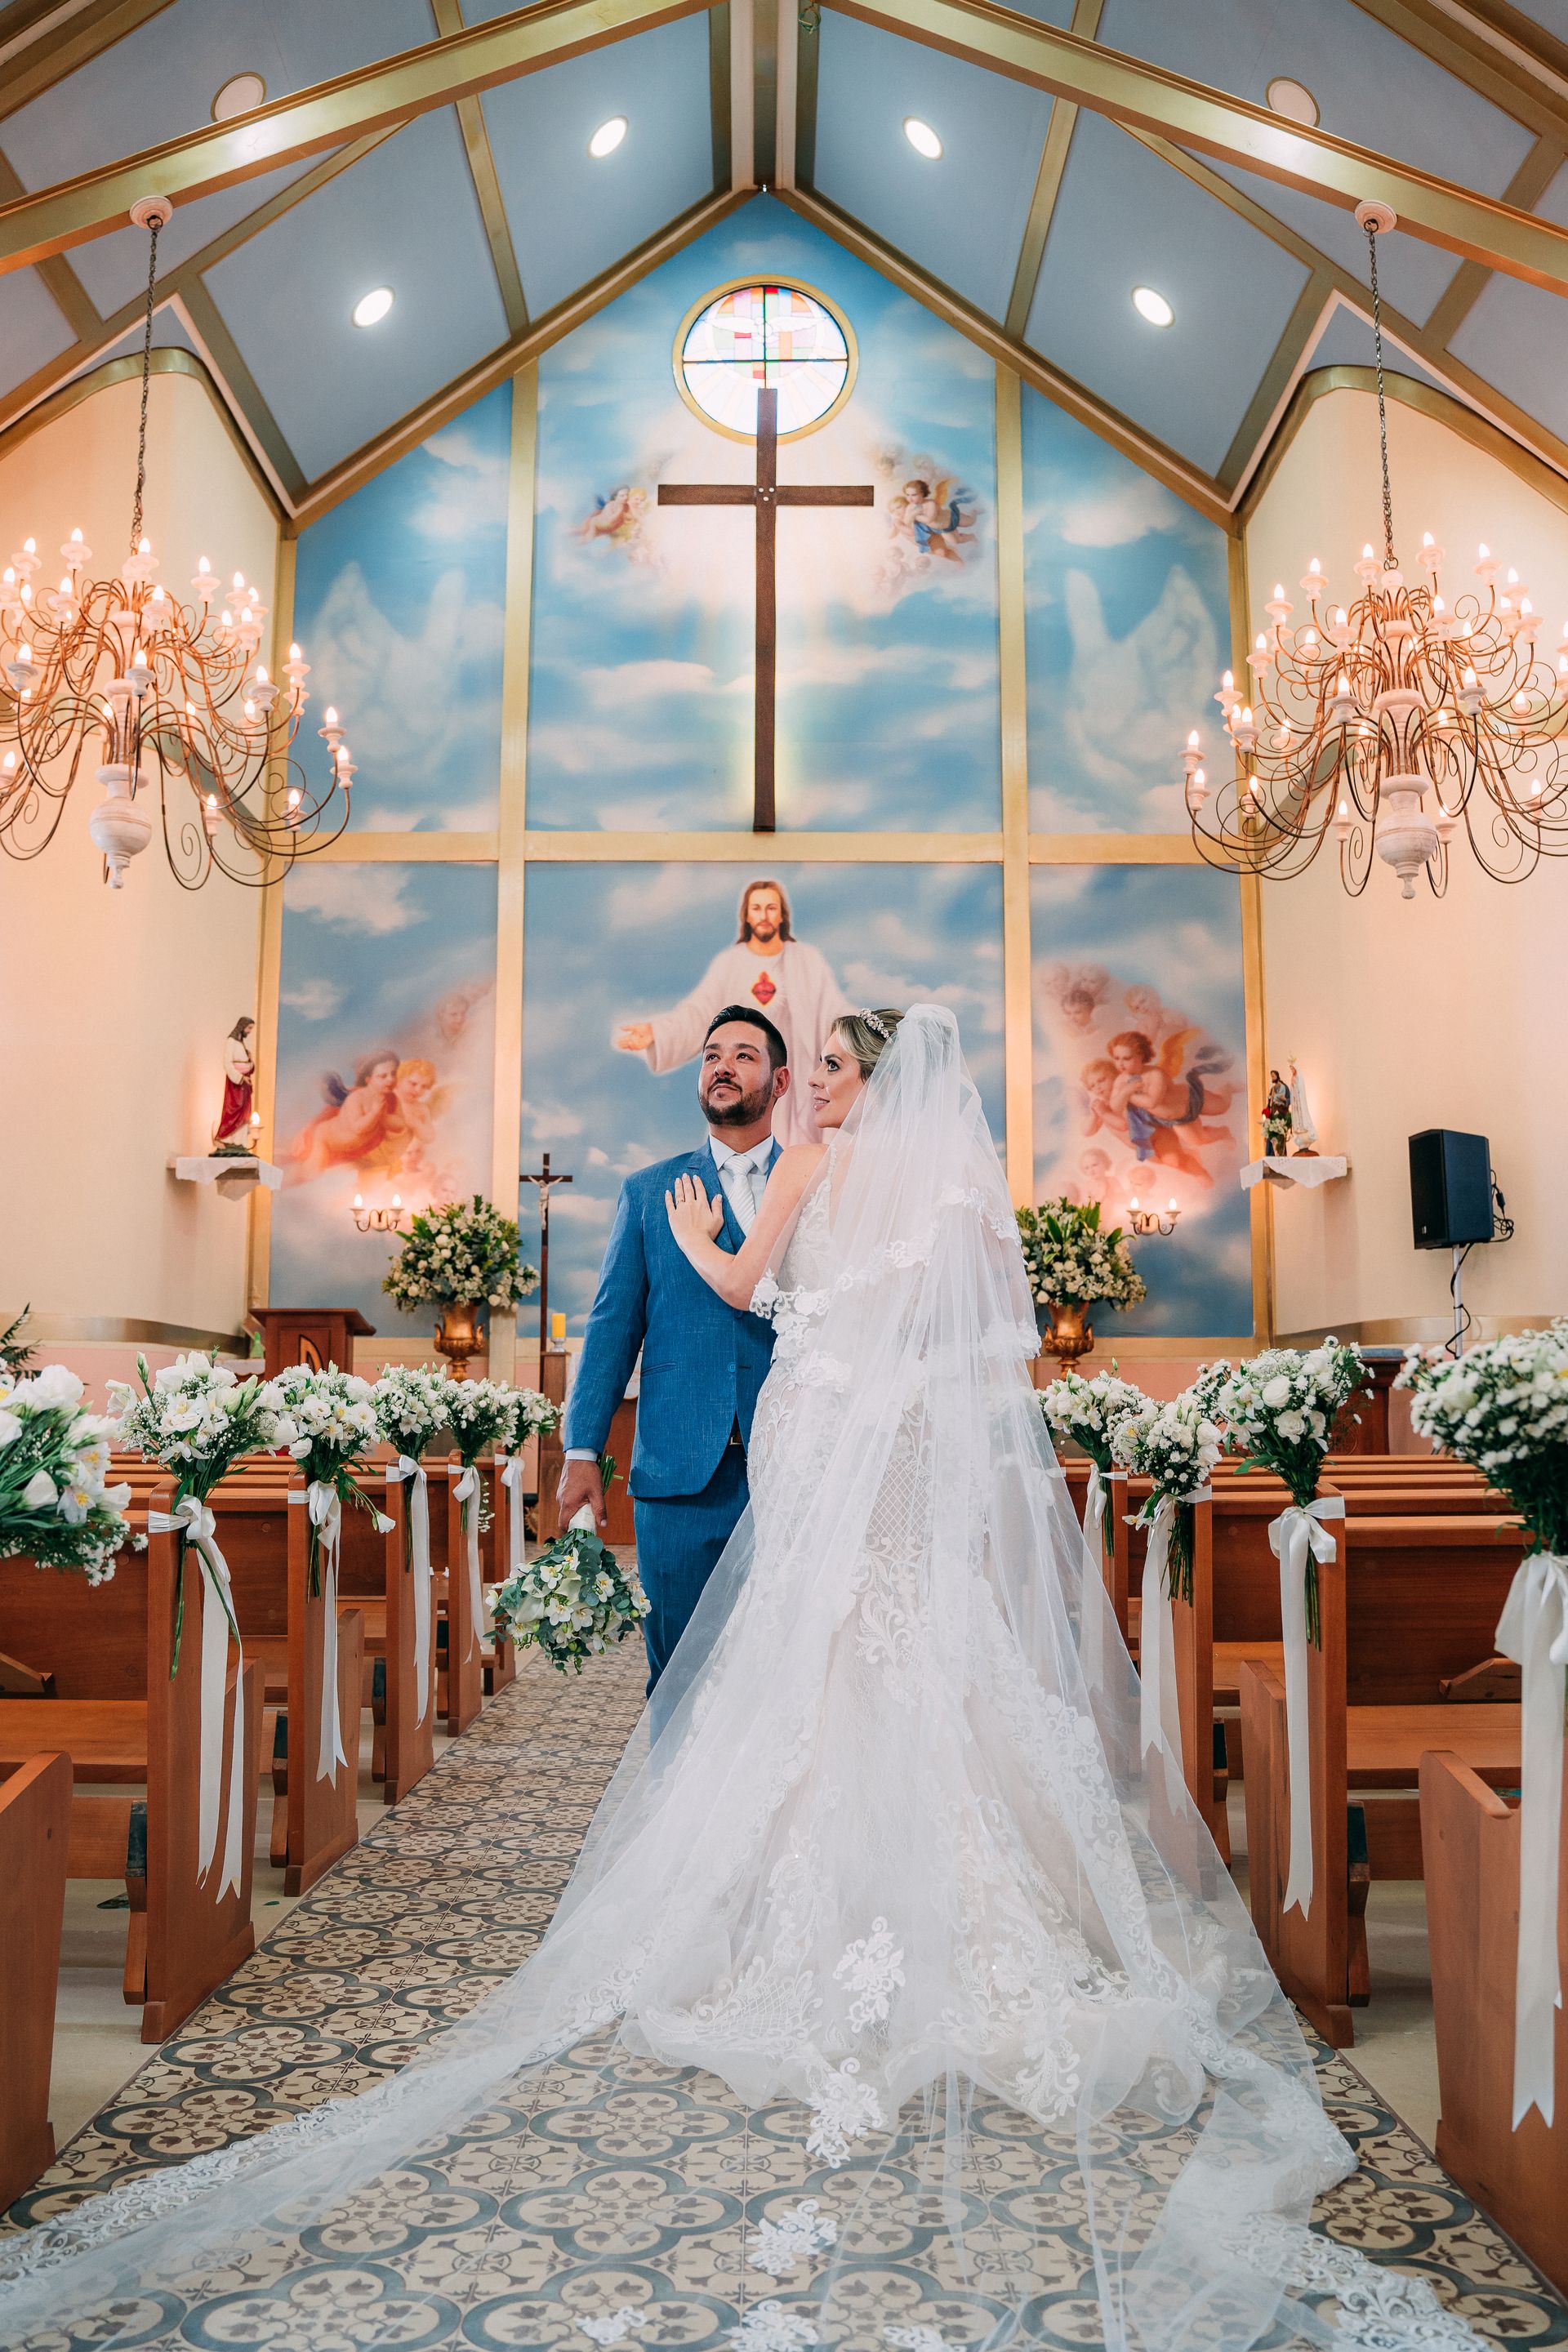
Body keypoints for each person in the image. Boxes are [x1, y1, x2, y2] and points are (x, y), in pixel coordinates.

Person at [0, 1008, 1477, 2352]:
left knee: (830, 1673)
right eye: (772, 1058)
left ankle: (769, 1894)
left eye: (816, 1061)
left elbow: (771, 1293)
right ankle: (813, 1877)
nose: (791, 1075)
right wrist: (590, 1440)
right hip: (818, 1458)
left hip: (828, 1454)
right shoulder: (892, 1189)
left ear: (827, 1081)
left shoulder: (807, 1173)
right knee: (836, 1676)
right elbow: (749, 1328)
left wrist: (736, 1249)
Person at [559, 1004, 788, 1693]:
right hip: (679, 1471)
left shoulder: (815, 1187)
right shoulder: (649, 1190)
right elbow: (611, 1328)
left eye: (745, 1055)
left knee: (789, 1678)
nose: (723, 1064)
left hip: (795, 1464)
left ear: (780, 1084)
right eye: (712, 1054)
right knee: (682, 1675)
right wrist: (581, 1449)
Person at [613, 876, 849, 1146]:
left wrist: (870, 1035)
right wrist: (658, 1033)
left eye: (771, 908)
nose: (764, 916)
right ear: (746, 916)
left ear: (782, 914)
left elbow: (834, 1013)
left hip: (795, 1084)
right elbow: (700, 1013)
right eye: (756, 908)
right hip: (746, 1079)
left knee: (798, 1159)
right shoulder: (730, 964)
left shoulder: (806, 961)